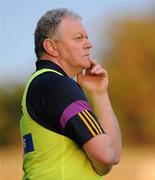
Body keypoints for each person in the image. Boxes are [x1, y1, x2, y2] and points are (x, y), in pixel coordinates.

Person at [20, 8, 122, 180]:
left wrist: (99, 93)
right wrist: (104, 164)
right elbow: (106, 157)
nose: (89, 44)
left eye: (87, 37)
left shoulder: (40, 83)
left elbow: (115, 155)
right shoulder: (57, 85)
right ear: (51, 47)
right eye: (78, 38)